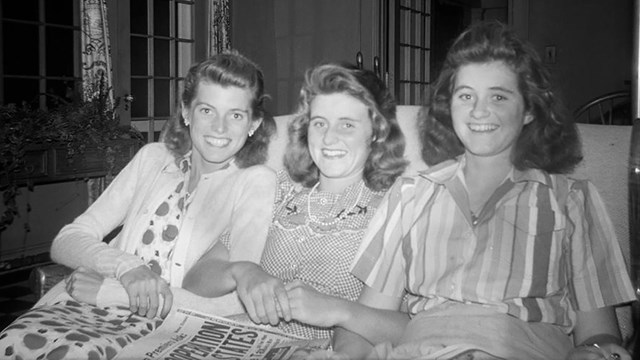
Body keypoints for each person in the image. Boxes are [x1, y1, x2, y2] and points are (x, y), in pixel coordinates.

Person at [284, 22, 637, 360]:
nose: (479, 110)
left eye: (498, 96)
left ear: (530, 109)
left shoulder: (572, 200)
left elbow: (599, 335)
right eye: (465, 95)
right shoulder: (411, 194)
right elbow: (364, 320)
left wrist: (596, 352)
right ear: (448, 105)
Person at [0, 51, 277, 359]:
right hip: (88, 307)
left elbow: (240, 298)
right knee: (15, 344)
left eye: (236, 115)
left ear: (254, 123)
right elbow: (66, 241)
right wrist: (127, 268)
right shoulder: (152, 158)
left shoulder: (255, 181)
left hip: (165, 327)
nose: (220, 128)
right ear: (186, 112)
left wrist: (115, 292)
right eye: (207, 110)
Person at [182, 63, 408, 341]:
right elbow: (195, 280)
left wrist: (337, 309)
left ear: (375, 131)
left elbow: (416, 328)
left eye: (347, 124)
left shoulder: (394, 207)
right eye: (319, 123)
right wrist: (242, 271)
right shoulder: (277, 189)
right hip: (242, 341)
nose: (328, 138)